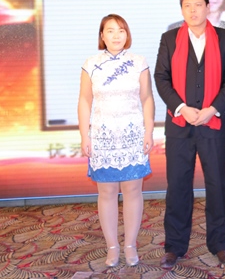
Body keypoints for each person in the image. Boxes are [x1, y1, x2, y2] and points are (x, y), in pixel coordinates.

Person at [154, 0, 225, 269]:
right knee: (178, 186)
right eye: (187, 6)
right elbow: (161, 78)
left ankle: (220, 244)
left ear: (208, 7)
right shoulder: (169, 39)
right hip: (180, 126)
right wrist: (181, 107)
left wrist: (212, 109)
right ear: (182, 9)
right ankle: (174, 246)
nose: (193, 10)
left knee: (217, 185)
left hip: (212, 124)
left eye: (198, 5)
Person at [78, 14, 155, 267]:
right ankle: (112, 247)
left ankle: (130, 244)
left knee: (133, 190)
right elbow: (85, 100)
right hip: (103, 137)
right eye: (110, 31)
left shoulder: (138, 62)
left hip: (133, 135)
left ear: (127, 34)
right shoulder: (91, 64)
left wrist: (148, 131)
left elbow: (147, 98)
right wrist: (84, 135)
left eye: (121, 30)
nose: (116, 35)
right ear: (102, 35)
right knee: (107, 192)